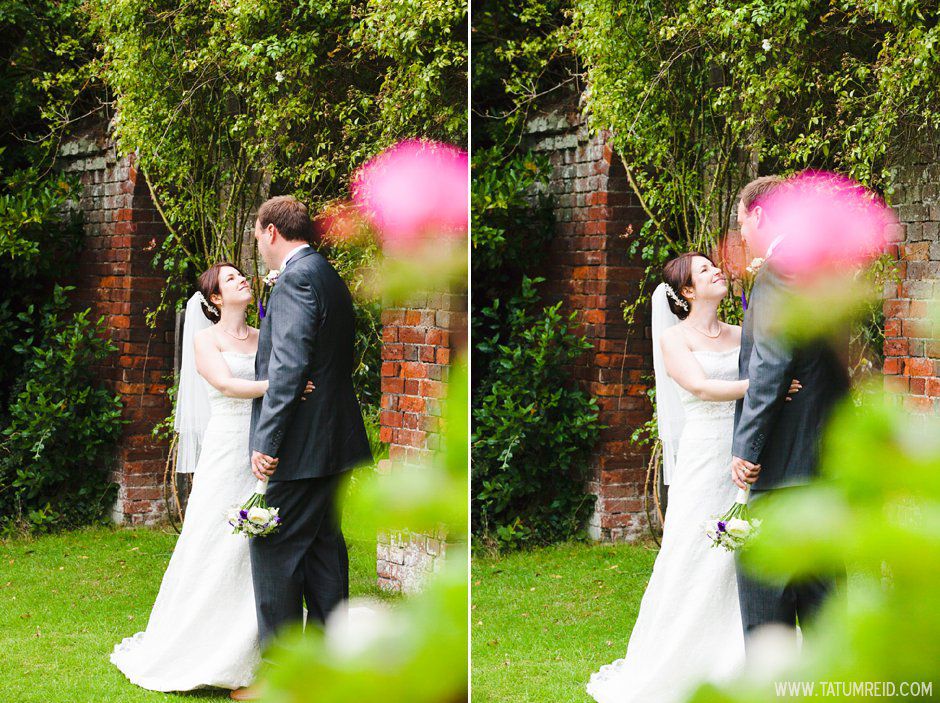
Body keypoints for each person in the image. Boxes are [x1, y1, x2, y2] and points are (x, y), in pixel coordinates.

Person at [587, 251, 802, 703]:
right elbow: (701, 387)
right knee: (695, 551)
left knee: (744, 554)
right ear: (686, 292)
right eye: (704, 270)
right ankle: (682, 662)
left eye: (713, 266)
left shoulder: (744, 334)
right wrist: (764, 387)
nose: (716, 271)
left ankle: (744, 657)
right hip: (705, 456)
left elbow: (772, 369)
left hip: (747, 454)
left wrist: (773, 388)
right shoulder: (674, 340)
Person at [111, 262, 314, 692]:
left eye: (242, 274)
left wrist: (286, 388)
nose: (242, 279)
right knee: (216, 541)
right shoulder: (205, 341)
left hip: (263, 448)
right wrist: (284, 384)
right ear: (216, 298)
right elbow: (227, 385)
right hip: (226, 449)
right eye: (229, 279)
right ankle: (201, 644)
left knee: (260, 545)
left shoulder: (264, 338)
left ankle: (260, 648)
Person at [232, 196, 373, 701]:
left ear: (271, 231)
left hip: (301, 446)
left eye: (256, 235)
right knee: (321, 553)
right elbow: (328, 357)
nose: (257, 244)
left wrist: (266, 444)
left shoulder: (294, 278)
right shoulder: (327, 273)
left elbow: (288, 366)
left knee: (269, 546)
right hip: (335, 441)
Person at [731, 175, 849, 645]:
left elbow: (771, 363)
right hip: (821, 461)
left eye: (741, 223)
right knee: (826, 607)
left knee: (767, 614)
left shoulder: (780, 269)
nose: (741, 234)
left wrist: (747, 448)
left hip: (781, 466)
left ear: (759, 214)